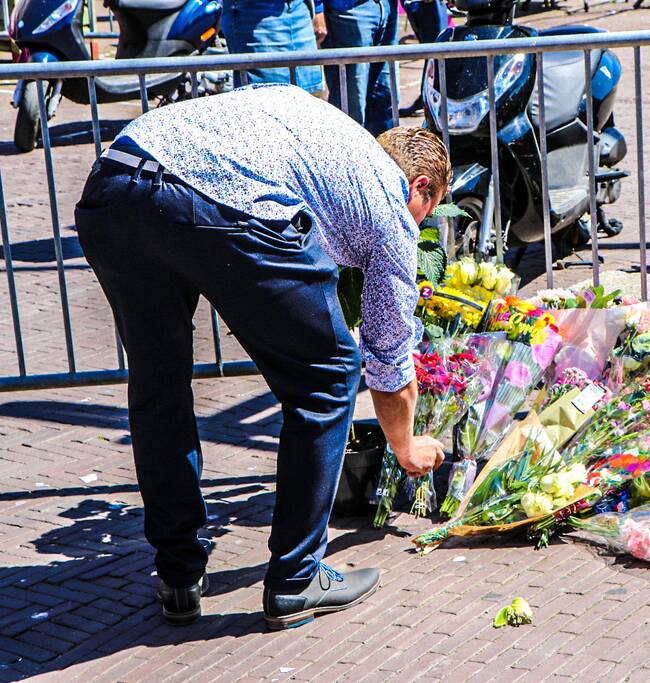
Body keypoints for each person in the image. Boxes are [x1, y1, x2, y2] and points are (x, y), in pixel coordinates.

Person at [74, 83, 450, 630]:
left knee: (159, 383)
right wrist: (405, 445)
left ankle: (178, 574)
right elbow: (388, 355)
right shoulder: (390, 204)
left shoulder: (324, 133)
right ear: (420, 186)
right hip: (212, 199)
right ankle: (297, 578)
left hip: (115, 186)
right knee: (326, 379)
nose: (419, 227)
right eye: (429, 212)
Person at [322, 0, 398, 134]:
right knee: (351, 109)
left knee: (387, 100)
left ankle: (382, 155)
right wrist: (317, 9)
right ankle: (346, 154)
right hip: (349, 11)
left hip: (387, 8)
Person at [222, 0, 328, 95]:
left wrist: (318, 8)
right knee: (265, 95)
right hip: (253, 11)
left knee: (310, 94)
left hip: (299, 9)